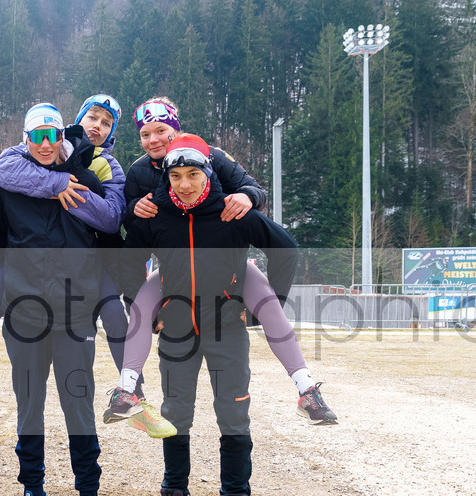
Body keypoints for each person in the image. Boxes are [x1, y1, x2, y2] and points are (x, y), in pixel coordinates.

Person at [0, 95, 176, 435]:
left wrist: (72, 194)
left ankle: (133, 396)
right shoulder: (22, 159)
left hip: (88, 260)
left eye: (106, 123)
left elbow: (112, 218)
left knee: (115, 317)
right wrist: (54, 184)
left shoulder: (105, 168)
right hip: (26, 261)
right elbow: (2, 172)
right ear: (76, 122)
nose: (97, 126)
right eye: (92, 118)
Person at [108, 98, 337, 429]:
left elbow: (254, 192)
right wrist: (135, 210)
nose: (154, 140)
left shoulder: (213, 156)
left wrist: (246, 197)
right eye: (145, 134)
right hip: (176, 268)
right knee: (141, 310)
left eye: (161, 131)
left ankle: (307, 390)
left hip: (226, 264)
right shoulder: (139, 170)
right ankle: (125, 390)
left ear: (177, 130)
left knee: (270, 307)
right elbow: (131, 223)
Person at [124, 134, 300, 496]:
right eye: (176, 177)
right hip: (178, 330)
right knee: (174, 416)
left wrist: (260, 309)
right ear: (167, 179)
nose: (184, 184)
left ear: (207, 173)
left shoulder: (231, 211)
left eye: (193, 174)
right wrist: (148, 308)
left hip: (227, 330)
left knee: (234, 418)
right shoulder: (157, 214)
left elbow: (287, 250)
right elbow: (125, 259)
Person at [0, 103, 106, 496]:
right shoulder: (11, 186)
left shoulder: (83, 180)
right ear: (26, 138)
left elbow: (108, 238)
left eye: (53, 135)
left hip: (74, 316)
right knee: (29, 407)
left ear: (62, 137)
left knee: (78, 407)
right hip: (25, 315)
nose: (46, 144)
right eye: (37, 136)